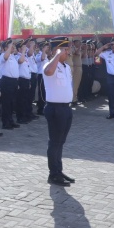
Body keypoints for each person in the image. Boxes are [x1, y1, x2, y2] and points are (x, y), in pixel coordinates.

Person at [43, 37, 75, 187]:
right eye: (65, 49)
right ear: (58, 50)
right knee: (54, 142)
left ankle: (58, 170)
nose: (68, 52)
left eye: (67, 49)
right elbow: (48, 72)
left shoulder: (66, 67)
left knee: (60, 142)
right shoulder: (49, 65)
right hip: (54, 109)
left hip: (66, 108)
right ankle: (53, 174)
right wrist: (56, 55)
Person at [0, 38, 20, 130]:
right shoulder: (3, 55)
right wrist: (10, 45)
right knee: (6, 103)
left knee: (12, 103)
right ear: (6, 48)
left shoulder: (13, 57)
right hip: (6, 81)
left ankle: (11, 120)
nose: (13, 48)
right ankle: (6, 122)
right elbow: (5, 57)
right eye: (11, 46)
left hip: (14, 81)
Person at [16, 38, 33, 124]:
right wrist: (23, 51)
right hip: (21, 80)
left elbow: (28, 69)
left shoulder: (25, 57)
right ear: (19, 49)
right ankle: (20, 117)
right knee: (21, 100)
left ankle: (25, 115)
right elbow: (20, 61)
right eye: (23, 47)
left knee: (26, 99)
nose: (25, 48)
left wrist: (29, 81)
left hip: (26, 80)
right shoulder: (18, 56)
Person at [71, 37, 84, 104]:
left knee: (77, 84)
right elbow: (76, 53)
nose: (79, 43)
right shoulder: (73, 48)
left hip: (79, 67)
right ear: (74, 42)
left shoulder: (79, 49)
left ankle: (74, 98)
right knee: (74, 84)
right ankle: (73, 99)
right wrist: (79, 47)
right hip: (75, 68)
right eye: (78, 42)